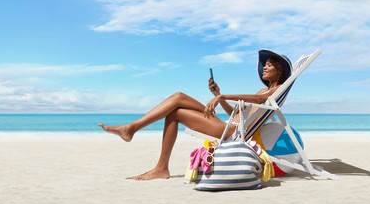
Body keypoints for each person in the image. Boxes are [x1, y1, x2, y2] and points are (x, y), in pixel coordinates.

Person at [98, 49, 292, 180]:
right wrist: (217, 95)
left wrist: (223, 95)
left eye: (269, 65)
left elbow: (258, 101)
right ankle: (135, 135)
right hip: (227, 124)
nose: (265, 67)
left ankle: (157, 162)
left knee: (176, 112)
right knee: (178, 97)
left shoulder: (275, 91)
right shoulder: (261, 91)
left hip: (231, 133)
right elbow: (234, 113)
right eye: (264, 64)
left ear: (280, 70)